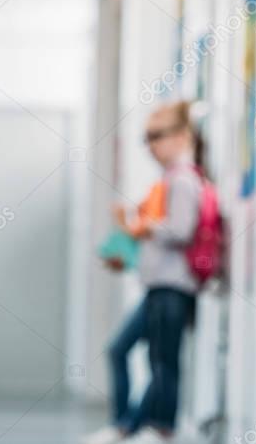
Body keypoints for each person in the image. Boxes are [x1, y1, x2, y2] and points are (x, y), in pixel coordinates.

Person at [84, 101, 202, 444]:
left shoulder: (181, 180)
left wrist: (140, 227)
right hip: (158, 286)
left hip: (172, 289)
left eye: (157, 136)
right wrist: (129, 252)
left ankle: (157, 427)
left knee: (163, 363)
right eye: (146, 138)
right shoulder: (165, 182)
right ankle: (128, 425)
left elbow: (181, 230)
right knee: (132, 353)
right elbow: (160, 241)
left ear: (181, 137)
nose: (151, 145)